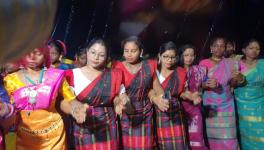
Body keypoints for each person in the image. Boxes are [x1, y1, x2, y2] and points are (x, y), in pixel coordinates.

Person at [4, 44, 87, 149]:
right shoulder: (10, 80)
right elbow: (8, 110)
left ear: (45, 54)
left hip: (54, 136)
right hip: (25, 136)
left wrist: (75, 109)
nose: (32, 57)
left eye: (38, 53)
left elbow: (70, 100)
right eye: (28, 53)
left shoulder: (55, 76)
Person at [65, 38, 124, 150]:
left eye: (101, 55)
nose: (96, 58)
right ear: (87, 51)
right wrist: (76, 107)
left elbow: (118, 95)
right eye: (93, 52)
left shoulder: (114, 75)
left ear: (107, 57)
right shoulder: (72, 75)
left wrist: (119, 101)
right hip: (83, 124)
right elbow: (67, 100)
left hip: (107, 125)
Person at [112, 36, 167, 149]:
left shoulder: (149, 65)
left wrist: (162, 98)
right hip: (126, 111)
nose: (129, 54)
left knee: (146, 146)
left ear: (141, 51)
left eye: (133, 51)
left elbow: (156, 85)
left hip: (145, 111)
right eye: (126, 51)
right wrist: (119, 102)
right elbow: (116, 90)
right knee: (127, 146)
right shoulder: (117, 66)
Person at [152, 41, 201, 149]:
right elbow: (148, 91)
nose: (169, 60)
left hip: (174, 112)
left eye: (173, 57)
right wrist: (155, 99)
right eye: (166, 57)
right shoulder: (153, 71)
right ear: (159, 56)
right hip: (157, 113)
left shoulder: (180, 72)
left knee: (179, 145)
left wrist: (191, 96)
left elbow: (182, 92)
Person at [199, 37, 238, 150]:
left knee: (229, 136)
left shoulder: (231, 63)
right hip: (211, 105)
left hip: (227, 103)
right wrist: (208, 85)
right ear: (211, 48)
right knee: (213, 136)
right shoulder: (204, 63)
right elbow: (199, 84)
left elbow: (233, 84)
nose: (219, 48)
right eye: (216, 45)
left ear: (225, 49)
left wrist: (235, 79)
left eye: (222, 46)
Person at [234, 39, 264, 149]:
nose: (255, 51)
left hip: (260, 105)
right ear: (244, 50)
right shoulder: (236, 64)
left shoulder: (262, 64)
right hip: (242, 106)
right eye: (251, 48)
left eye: (257, 48)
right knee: (246, 132)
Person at [179, 44, 208, 150]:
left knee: (197, 137)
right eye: (186, 55)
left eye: (192, 55)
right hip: (180, 108)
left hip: (195, 108)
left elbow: (204, 85)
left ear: (195, 56)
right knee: (182, 138)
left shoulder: (200, 70)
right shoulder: (176, 71)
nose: (189, 58)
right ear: (181, 56)